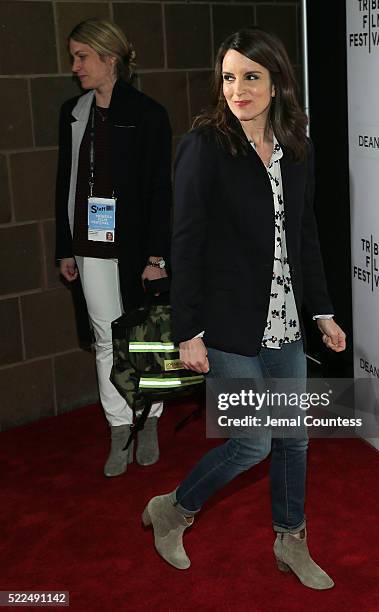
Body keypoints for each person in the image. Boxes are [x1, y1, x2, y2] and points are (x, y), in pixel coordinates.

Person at [142, 28, 346, 588]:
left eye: (251, 77)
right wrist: (188, 331)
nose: (238, 89)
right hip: (225, 321)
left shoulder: (296, 147)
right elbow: (185, 241)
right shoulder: (205, 145)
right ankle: (174, 510)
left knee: (294, 436)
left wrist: (322, 310)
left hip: (285, 318)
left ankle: (290, 540)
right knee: (253, 439)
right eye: (229, 77)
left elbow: (304, 235)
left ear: (277, 83)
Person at [55, 19, 172, 477]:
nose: (75, 66)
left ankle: (150, 422)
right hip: (90, 245)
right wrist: (65, 247)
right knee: (105, 338)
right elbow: (63, 183)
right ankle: (119, 426)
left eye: (82, 56)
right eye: (72, 57)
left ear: (110, 59)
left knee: (144, 337)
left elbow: (161, 190)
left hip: (137, 248)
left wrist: (156, 256)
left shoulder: (148, 113)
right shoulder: (73, 111)